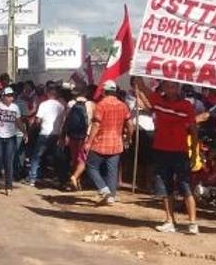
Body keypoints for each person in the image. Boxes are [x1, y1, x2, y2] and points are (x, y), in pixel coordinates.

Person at [133, 76, 199, 234]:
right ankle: (170, 221)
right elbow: (142, 86)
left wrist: (194, 153)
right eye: (168, 86)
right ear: (163, 87)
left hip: (180, 152)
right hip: (161, 151)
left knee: (186, 188)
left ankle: (192, 223)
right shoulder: (157, 101)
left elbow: (194, 130)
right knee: (165, 188)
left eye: (174, 86)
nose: (171, 89)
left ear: (178, 88)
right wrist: (135, 70)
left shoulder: (186, 106)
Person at [84, 79, 133, 204]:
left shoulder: (101, 105)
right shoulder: (123, 105)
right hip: (117, 143)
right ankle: (111, 196)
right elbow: (130, 124)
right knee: (112, 170)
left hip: (100, 142)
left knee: (91, 166)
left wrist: (89, 141)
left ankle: (103, 188)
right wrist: (128, 137)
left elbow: (96, 124)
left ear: (104, 92)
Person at [27, 84, 64, 186]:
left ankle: (32, 179)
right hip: (55, 134)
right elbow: (63, 121)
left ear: (47, 94)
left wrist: (34, 127)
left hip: (44, 133)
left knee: (36, 156)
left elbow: (38, 120)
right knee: (56, 157)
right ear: (55, 94)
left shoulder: (43, 104)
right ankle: (61, 179)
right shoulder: (61, 106)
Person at [64, 86, 94, 190]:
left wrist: (64, 135)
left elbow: (66, 120)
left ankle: (76, 181)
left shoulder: (70, 104)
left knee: (74, 158)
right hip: (85, 136)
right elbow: (93, 122)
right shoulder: (91, 104)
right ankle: (75, 178)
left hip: (72, 135)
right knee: (82, 160)